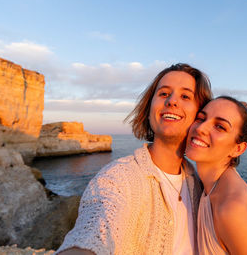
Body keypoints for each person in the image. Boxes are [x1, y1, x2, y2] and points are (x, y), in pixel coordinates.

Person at [56, 63, 212, 255]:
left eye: (185, 96)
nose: (172, 101)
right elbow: (95, 227)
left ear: (200, 116)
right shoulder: (119, 177)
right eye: (163, 93)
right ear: (149, 108)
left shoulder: (198, 185)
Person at [185, 96, 247, 255]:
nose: (201, 128)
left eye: (219, 126)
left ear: (238, 149)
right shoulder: (209, 186)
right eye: (200, 118)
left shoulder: (231, 208)